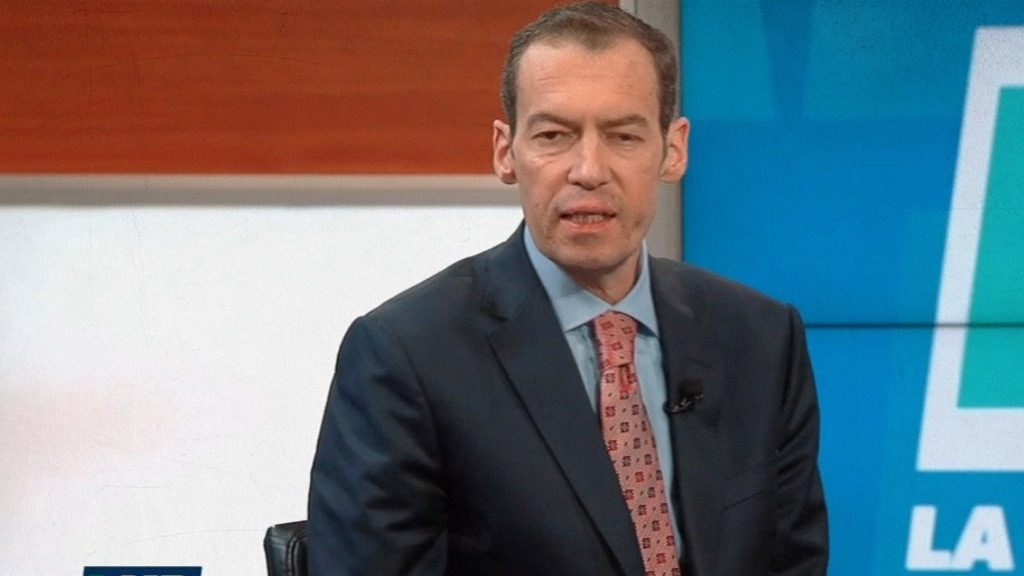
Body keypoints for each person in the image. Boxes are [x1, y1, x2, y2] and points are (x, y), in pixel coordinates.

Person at [307, 3, 828, 575]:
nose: (588, 169)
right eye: (554, 135)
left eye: (623, 136)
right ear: (506, 151)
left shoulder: (760, 337)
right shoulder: (406, 356)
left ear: (673, 149)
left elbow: (792, 560)